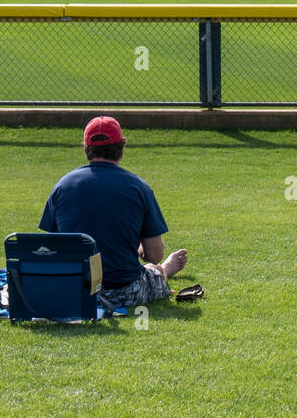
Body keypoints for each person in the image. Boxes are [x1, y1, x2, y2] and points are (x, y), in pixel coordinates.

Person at [39, 117, 191, 308]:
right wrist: (139, 249)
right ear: (121, 147)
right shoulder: (138, 188)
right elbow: (154, 254)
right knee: (154, 268)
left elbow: (52, 247)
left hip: (71, 290)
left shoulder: (62, 186)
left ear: (86, 147)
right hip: (123, 291)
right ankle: (165, 271)